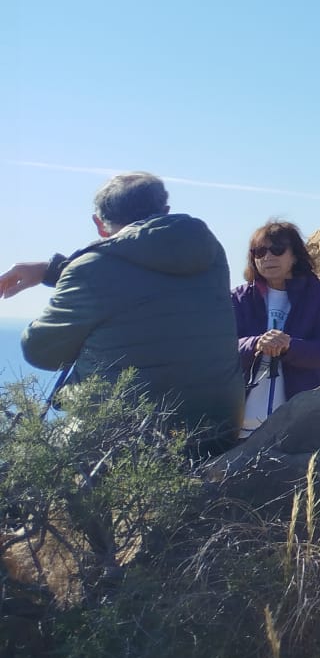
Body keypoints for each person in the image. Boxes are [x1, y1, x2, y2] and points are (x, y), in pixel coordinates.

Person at [0, 172, 241, 453]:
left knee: (26, 456)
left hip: (126, 441)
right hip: (217, 431)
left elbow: (41, 352)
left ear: (99, 225)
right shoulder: (209, 253)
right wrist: (52, 270)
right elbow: (144, 271)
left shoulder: (89, 271)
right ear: (165, 212)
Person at [233, 220, 320, 436]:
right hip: (243, 421)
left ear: (294, 255)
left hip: (299, 417)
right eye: (259, 252)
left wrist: (290, 347)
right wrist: (255, 343)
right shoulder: (238, 298)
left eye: (277, 249)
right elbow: (221, 348)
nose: (267, 257)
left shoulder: (319, 294)